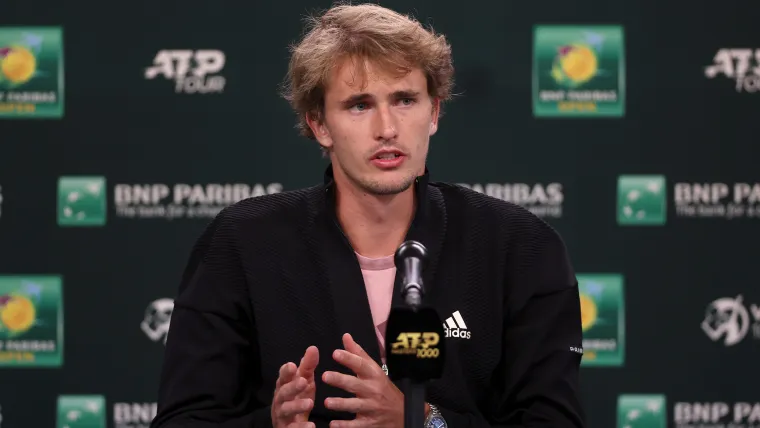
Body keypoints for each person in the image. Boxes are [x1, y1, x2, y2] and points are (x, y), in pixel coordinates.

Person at [150, 3, 586, 428]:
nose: (387, 128)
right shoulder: (243, 244)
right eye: (359, 104)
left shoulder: (521, 248)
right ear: (320, 124)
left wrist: (423, 421)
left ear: (434, 112)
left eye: (404, 100)